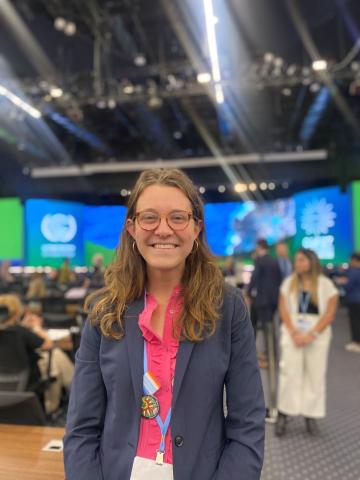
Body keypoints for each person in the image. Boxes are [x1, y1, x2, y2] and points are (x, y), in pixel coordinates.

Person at [64, 168, 265, 480]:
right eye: (149, 218)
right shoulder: (105, 311)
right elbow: (81, 429)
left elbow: (248, 427)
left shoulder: (228, 307)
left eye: (178, 217)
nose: (163, 229)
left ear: (196, 227)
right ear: (131, 227)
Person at [276, 248, 338, 436]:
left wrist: (311, 334)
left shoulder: (326, 285)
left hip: (317, 336)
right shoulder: (289, 283)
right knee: (289, 374)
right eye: (297, 260)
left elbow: (329, 313)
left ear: (311, 261)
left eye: (302, 260)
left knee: (315, 375)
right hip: (292, 334)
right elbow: (283, 309)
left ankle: (311, 415)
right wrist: (295, 332)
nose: (298, 264)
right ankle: (284, 414)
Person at [336, 252, 360, 353]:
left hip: (354, 300)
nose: (350, 262)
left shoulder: (355, 271)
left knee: (355, 322)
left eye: (351, 260)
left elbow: (348, 285)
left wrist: (341, 283)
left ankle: (356, 343)